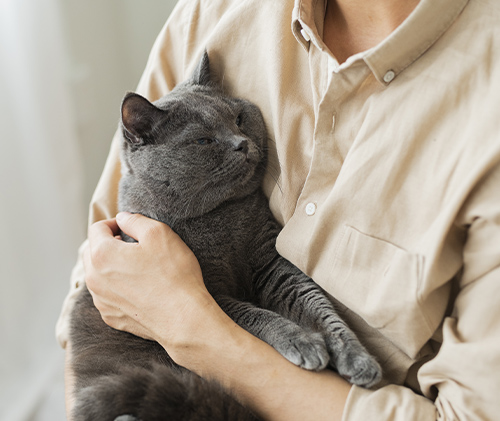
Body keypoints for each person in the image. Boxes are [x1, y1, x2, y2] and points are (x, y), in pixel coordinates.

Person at [57, 0, 500, 419]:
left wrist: (195, 328)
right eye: (208, 140)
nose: (241, 142)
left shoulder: (485, 105)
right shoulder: (212, 15)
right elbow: (94, 280)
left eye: (237, 123)